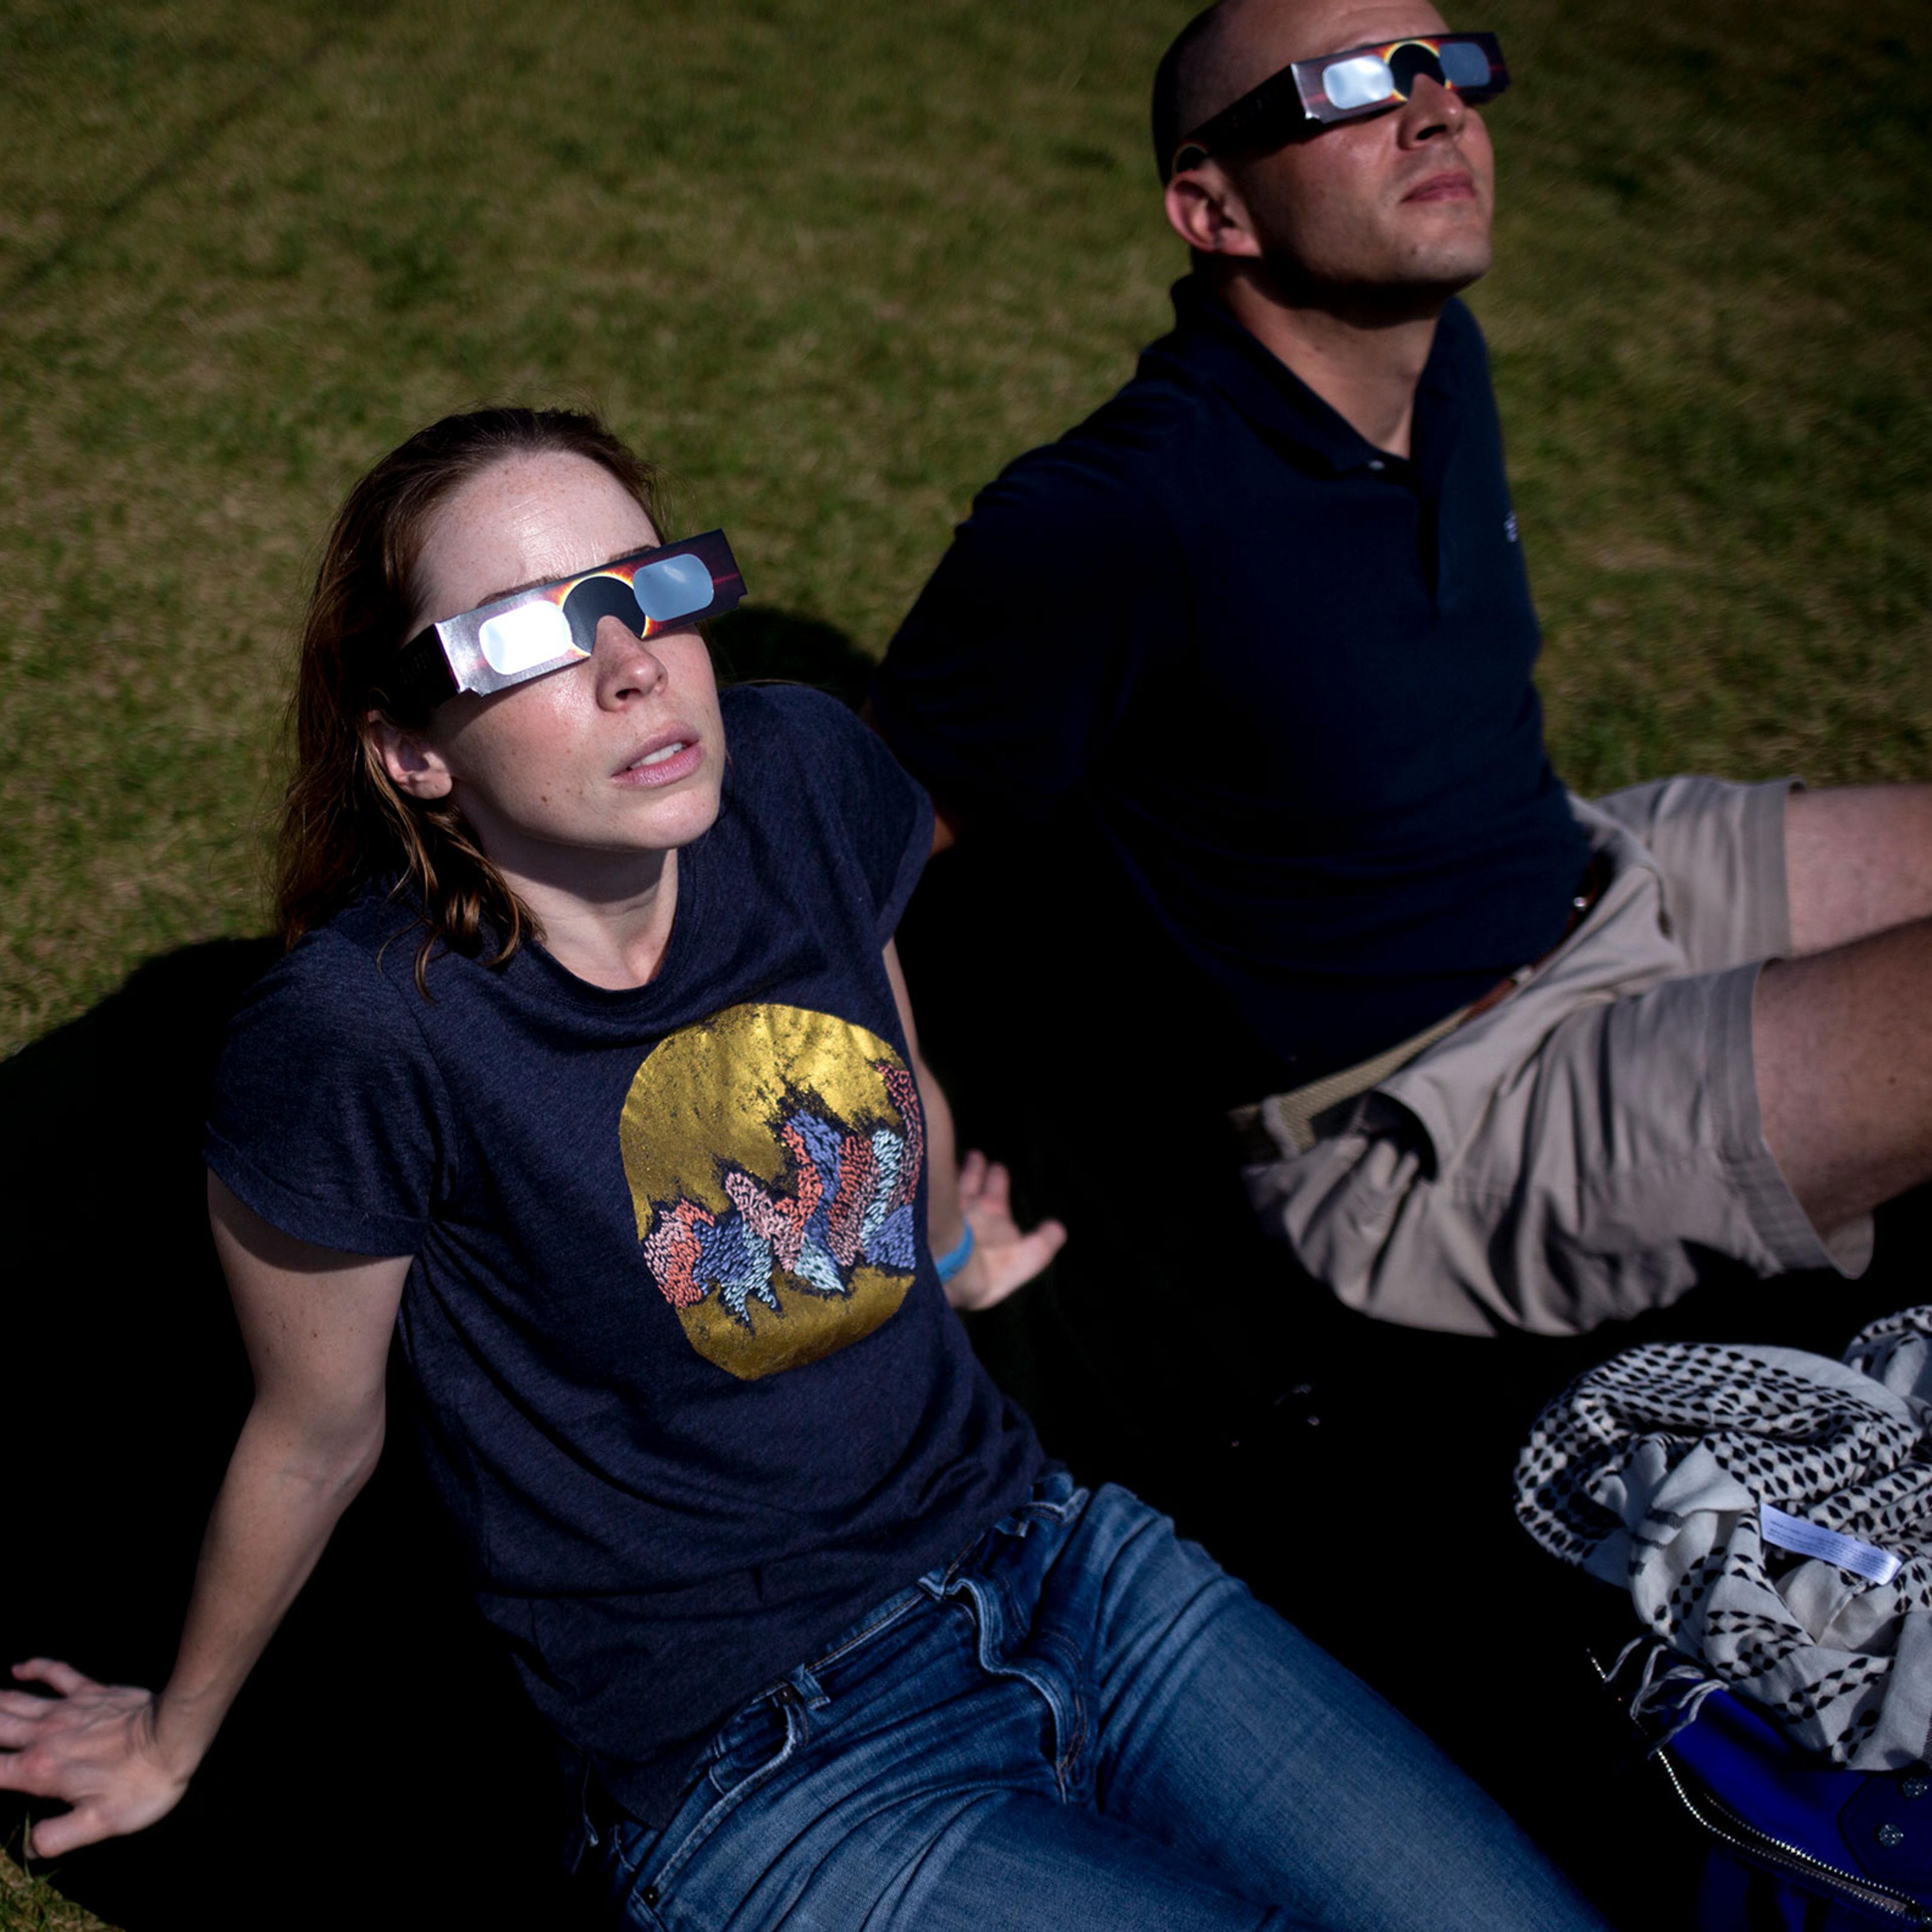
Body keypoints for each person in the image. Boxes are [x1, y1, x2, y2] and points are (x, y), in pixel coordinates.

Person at [0, 408, 1598, 1929]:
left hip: (1062, 1563)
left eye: (649, 591)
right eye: (531, 633)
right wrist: (172, 1735)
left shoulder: (798, 778)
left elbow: (881, 1045)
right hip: (767, 1765)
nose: (632, 662)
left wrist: (948, 1244)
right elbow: (315, 1428)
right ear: (412, 753)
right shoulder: (361, 1033)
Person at [869, 0, 1932, 1352]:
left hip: (1601, 866)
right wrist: (945, 1231)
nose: (1438, 111)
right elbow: (837, 872)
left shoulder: (1440, 370)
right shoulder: (1117, 519)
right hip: (1442, 1111)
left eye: (1447, 68)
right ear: (1215, 212)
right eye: (1358, 89)